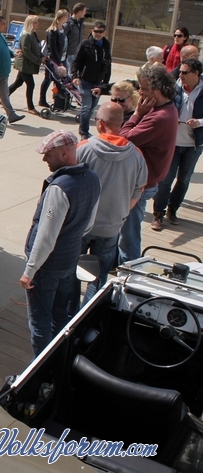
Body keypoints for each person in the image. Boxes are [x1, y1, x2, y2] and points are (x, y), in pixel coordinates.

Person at [22, 130, 100, 357]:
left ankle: (39, 371)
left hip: (47, 267)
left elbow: (45, 237)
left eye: (48, 154)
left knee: (40, 322)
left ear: (64, 153)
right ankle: (59, 359)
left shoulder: (59, 188)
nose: (44, 159)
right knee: (60, 315)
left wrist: (29, 270)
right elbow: (88, 224)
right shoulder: (93, 179)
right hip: (70, 259)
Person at [76, 102, 147, 306]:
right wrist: (122, 212)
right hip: (111, 229)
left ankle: (68, 318)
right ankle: (86, 317)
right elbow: (138, 190)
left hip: (81, 227)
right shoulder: (136, 155)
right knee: (98, 278)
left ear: (100, 123)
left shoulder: (83, 149)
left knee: (71, 275)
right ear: (121, 123)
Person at [118, 66, 179, 262]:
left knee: (129, 233)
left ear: (158, 89)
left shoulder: (159, 117)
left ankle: (129, 266)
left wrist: (136, 115)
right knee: (126, 229)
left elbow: (123, 138)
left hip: (142, 183)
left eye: (143, 88)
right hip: (147, 179)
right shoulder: (166, 108)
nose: (140, 92)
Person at [151, 59, 203, 230]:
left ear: (196, 74)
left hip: (193, 145)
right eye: (180, 71)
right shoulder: (173, 88)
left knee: (184, 180)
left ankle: (172, 210)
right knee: (165, 180)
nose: (180, 75)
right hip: (172, 143)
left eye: (185, 72)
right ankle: (158, 213)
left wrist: (200, 122)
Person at [71, 21, 112, 139]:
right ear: (92, 31)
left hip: (98, 81)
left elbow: (108, 63)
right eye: (95, 31)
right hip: (85, 80)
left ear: (105, 32)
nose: (97, 34)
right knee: (86, 106)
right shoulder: (85, 44)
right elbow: (76, 61)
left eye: (100, 32)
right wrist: (75, 76)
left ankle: (83, 128)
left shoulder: (106, 44)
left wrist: (106, 82)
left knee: (93, 106)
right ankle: (84, 131)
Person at [9, 15, 43, 116]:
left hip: (28, 64)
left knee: (18, 82)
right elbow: (26, 51)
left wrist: (41, 56)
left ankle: (4, 97)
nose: (38, 24)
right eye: (36, 22)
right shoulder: (26, 35)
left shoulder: (33, 34)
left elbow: (36, 47)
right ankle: (30, 107)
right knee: (30, 84)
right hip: (24, 64)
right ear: (31, 24)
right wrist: (38, 60)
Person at [39, 9, 69, 108]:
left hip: (63, 58)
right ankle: (42, 99)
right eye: (66, 16)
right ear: (62, 17)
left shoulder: (62, 29)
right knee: (48, 79)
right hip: (54, 60)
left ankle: (60, 100)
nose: (68, 18)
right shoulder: (52, 31)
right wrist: (58, 62)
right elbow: (53, 48)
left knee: (59, 80)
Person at [63, 3, 86, 70]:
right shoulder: (68, 24)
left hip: (77, 53)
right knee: (70, 74)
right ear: (79, 12)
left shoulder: (81, 24)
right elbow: (62, 38)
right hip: (69, 54)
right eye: (84, 11)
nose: (85, 13)